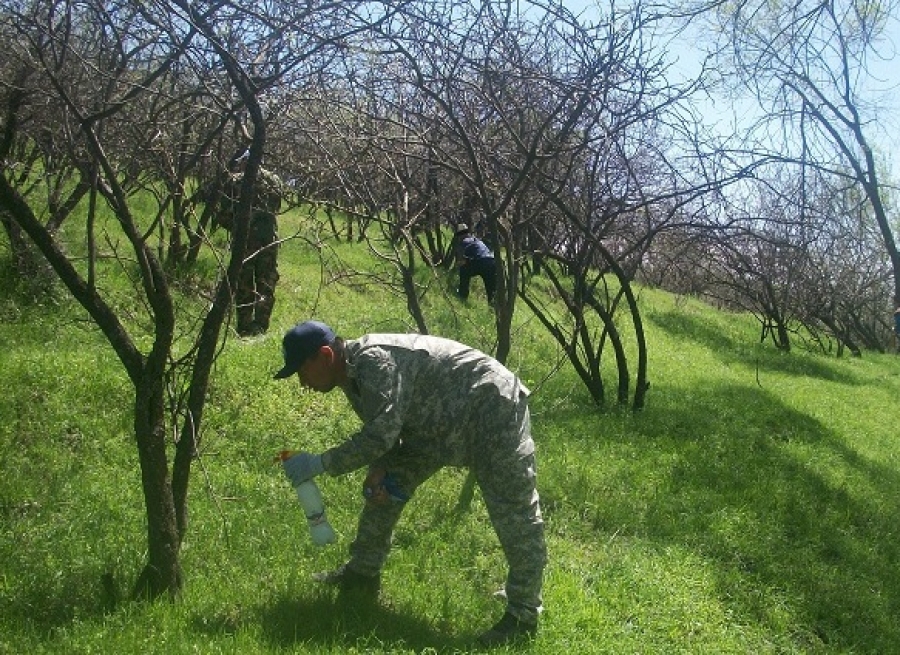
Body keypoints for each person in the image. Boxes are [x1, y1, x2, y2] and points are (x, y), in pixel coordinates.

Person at [274, 320, 547, 646]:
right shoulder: (349, 375)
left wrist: (318, 463)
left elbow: (380, 434)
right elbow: (387, 429)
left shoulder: (374, 362)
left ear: (324, 355)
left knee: (514, 510)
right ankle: (362, 573)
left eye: (302, 371)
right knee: (384, 489)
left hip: (490, 407)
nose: (303, 383)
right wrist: (380, 469)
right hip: (432, 429)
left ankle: (522, 614)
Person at [219, 162, 283, 336]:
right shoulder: (274, 180)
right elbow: (277, 207)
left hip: (244, 239)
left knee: (244, 282)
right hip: (268, 237)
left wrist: (234, 226)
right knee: (267, 282)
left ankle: (244, 326)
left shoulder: (235, 181)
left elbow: (224, 214)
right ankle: (261, 326)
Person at [453, 223, 496, 303]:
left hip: (480, 262)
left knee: (464, 270)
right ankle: (493, 306)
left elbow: (462, 261)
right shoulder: (477, 240)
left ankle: (462, 295)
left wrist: (456, 267)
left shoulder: (464, 241)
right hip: (492, 262)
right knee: (491, 287)